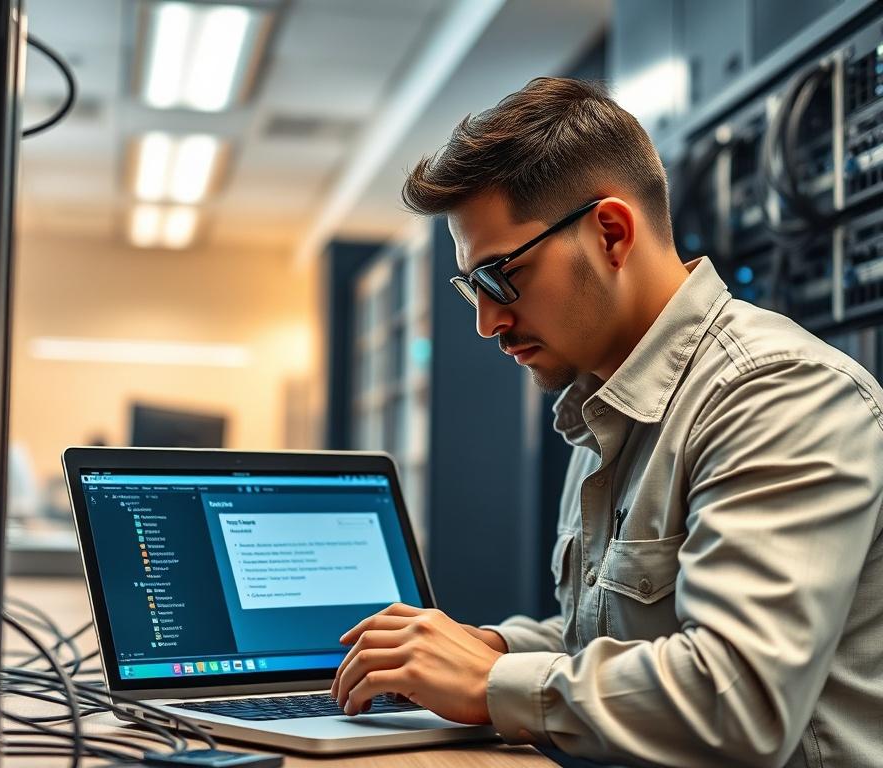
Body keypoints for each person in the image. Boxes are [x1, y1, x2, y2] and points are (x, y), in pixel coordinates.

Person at [329, 78, 883, 768]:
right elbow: (615, 643)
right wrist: (489, 651)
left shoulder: (773, 395)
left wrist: (487, 683)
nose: (487, 322)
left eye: (501, 277)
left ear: (611, 233)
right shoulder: (604, 406)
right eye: (472, 286)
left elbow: (738, 699)